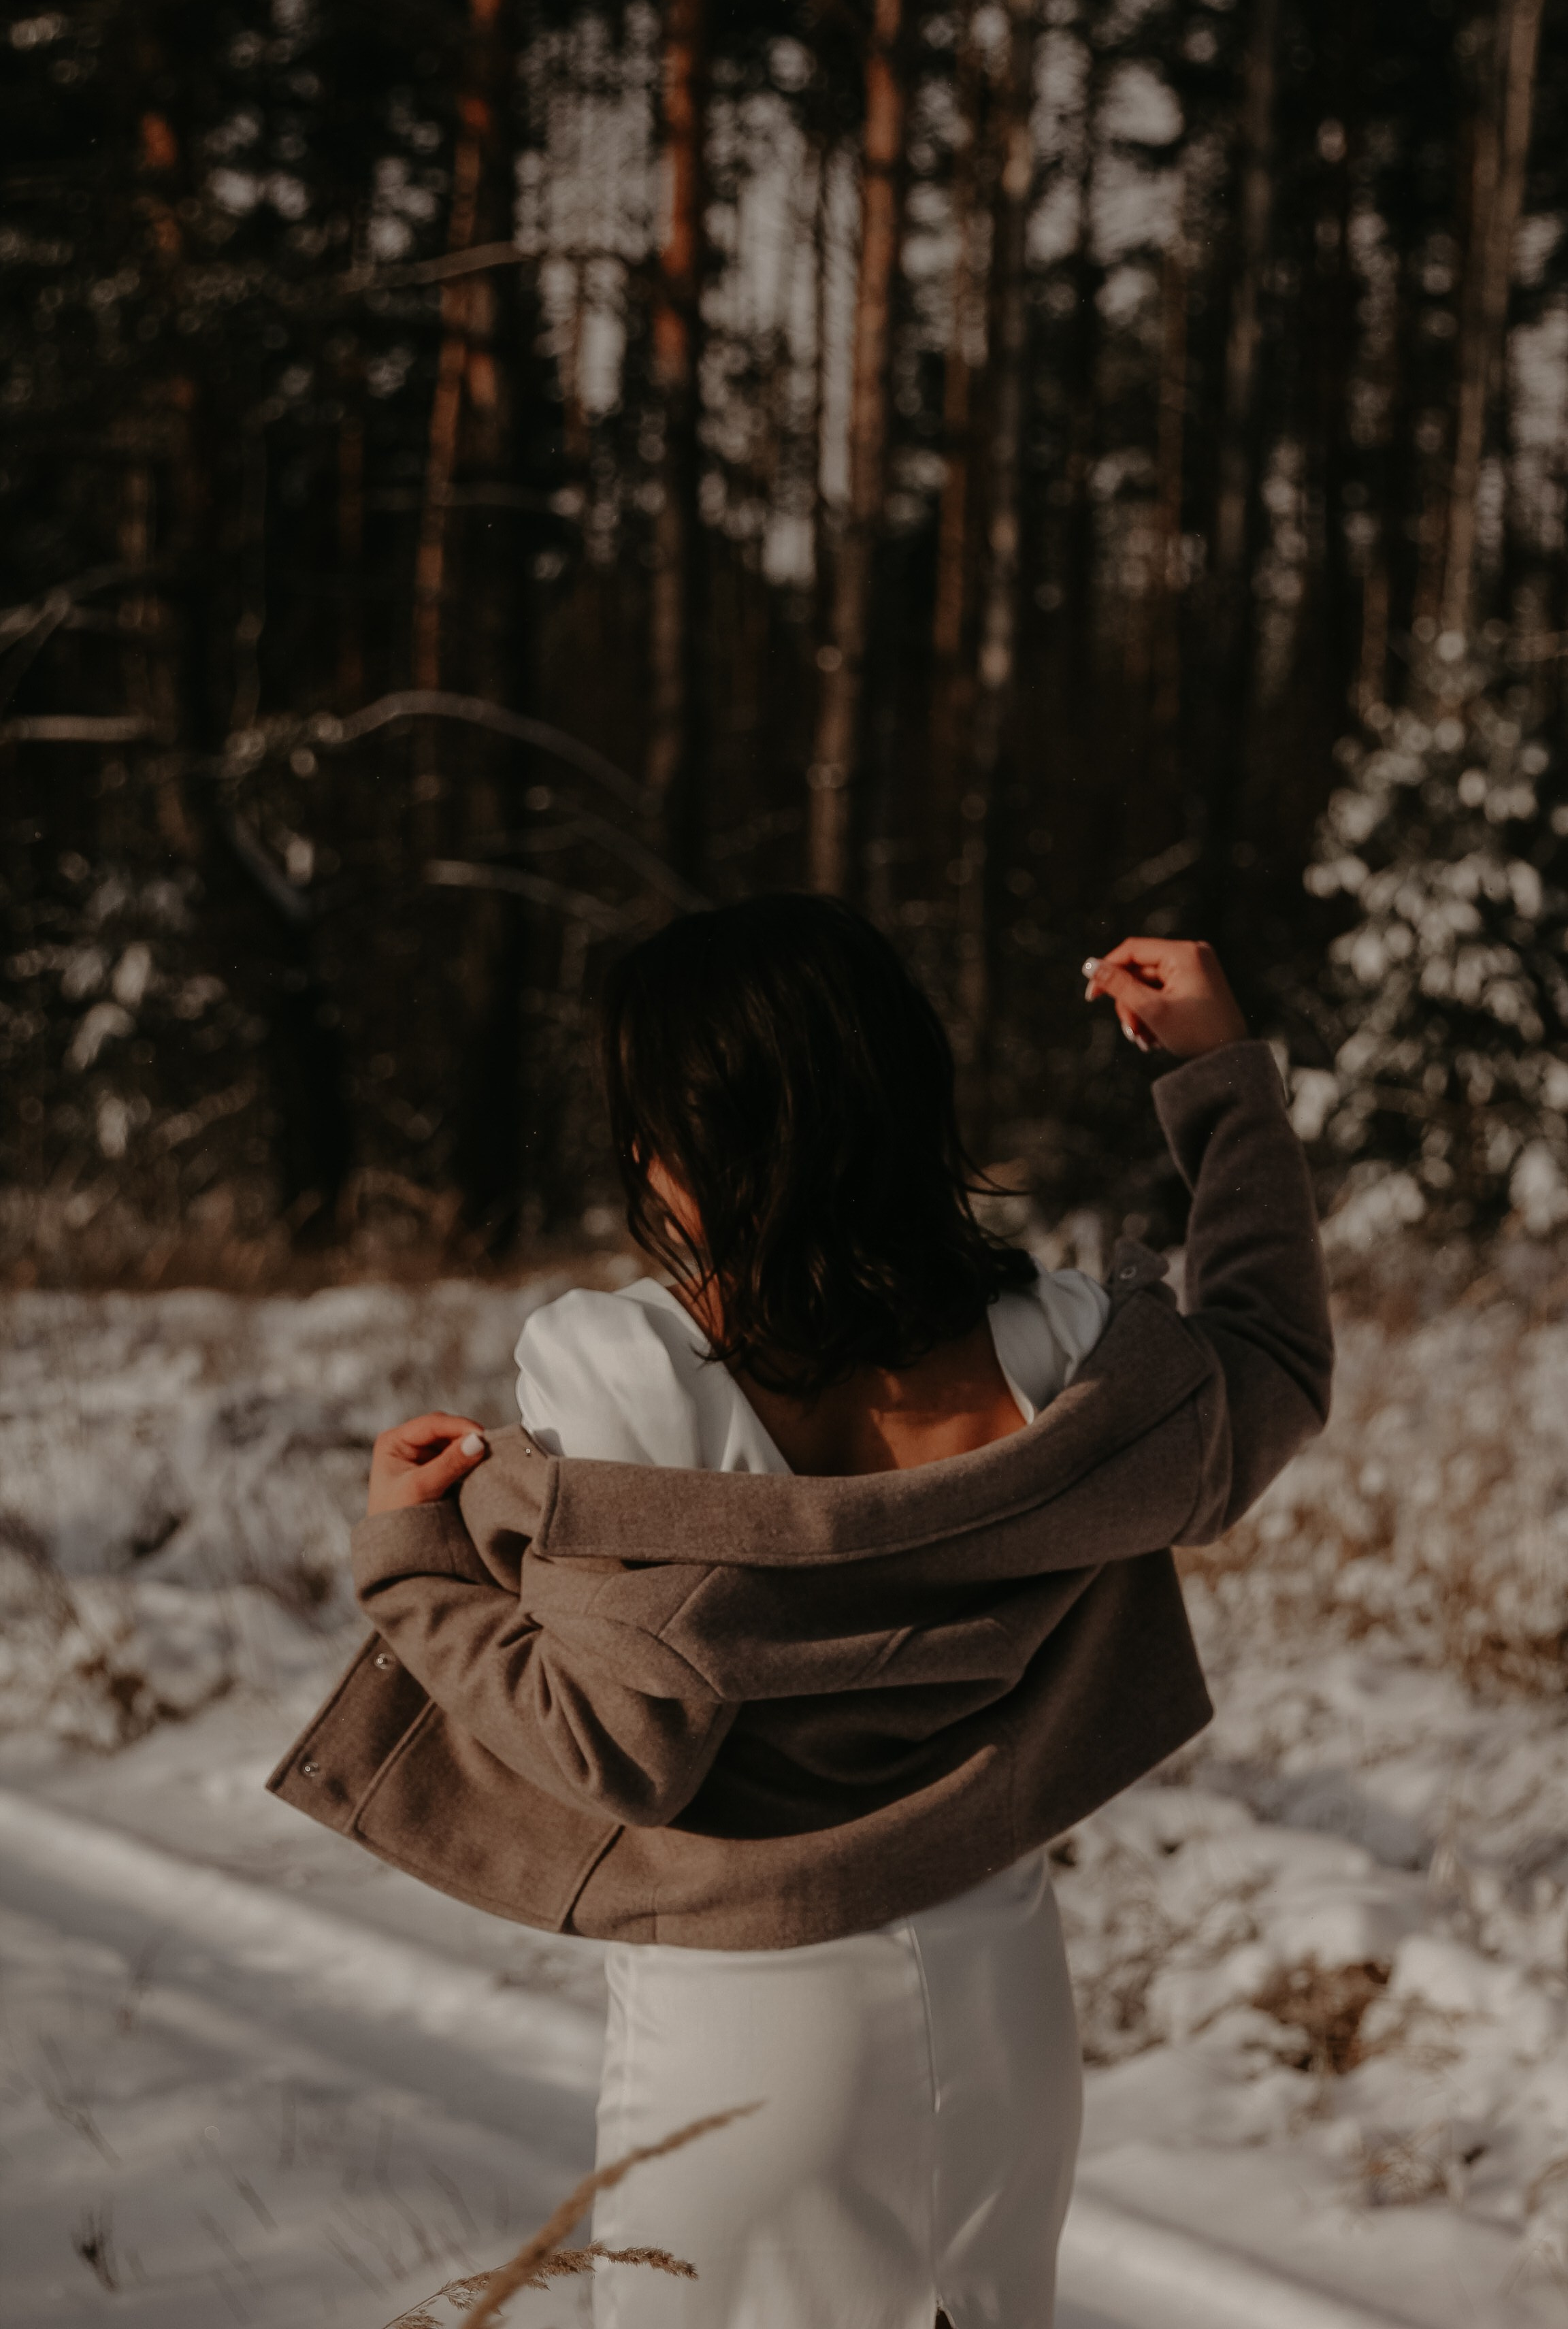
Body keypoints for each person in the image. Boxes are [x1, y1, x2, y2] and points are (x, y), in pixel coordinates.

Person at [271, 900, 1333, 2329]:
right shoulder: (1058, 1354)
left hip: (751, 2044)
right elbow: (1273, 1354)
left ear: (715, 1138)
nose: (642, 1160)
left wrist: (410, 1564)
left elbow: (613, 1749)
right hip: (1006, 2008)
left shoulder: (628, 1373)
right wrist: (1219, 1080)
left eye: (653, 1125)